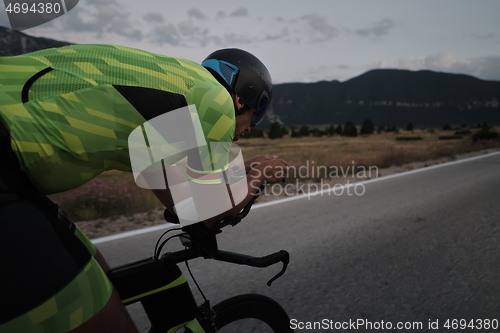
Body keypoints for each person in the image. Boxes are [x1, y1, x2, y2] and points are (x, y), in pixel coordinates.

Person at [0, 44, 288, 333]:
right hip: (7, 163)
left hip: (15, 169)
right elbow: (205, 212)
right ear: (241, 98)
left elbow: (175, 192)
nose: (252, 127)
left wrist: (241, 173)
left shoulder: (177, 87)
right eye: (259, 112)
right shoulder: (216, 102)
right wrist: (262, 173)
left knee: (99, 274)